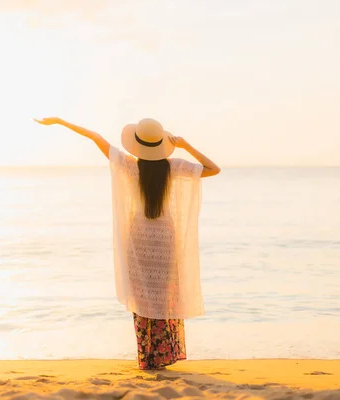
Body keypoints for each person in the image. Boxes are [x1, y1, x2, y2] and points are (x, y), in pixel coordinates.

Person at [34, 117, 220, 370]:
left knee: (142, 298)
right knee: (165, 296)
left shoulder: (129, 166)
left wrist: (60, 122)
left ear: (138, 144)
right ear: (162, 144)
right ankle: (164, 354)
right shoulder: (174, 166)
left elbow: (96, 137)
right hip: (166, 238)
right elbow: (213, 168)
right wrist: (186, 145)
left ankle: (147, 356)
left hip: (139, 238)